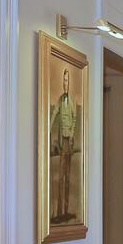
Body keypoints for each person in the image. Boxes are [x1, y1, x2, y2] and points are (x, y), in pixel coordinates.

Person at [50, 67, 81, 222]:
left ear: (70, 83)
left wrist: (73, 132)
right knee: (61, 178)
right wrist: (48, 128)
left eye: (67, 80)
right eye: (64, 81)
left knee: (67, 178)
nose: (65, 83)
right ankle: (60, 210)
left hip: (69, 141)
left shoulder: (72, 101)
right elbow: (54, 113)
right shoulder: (61, 100)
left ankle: (66, 209)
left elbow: (75, 118)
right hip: (63, 141)